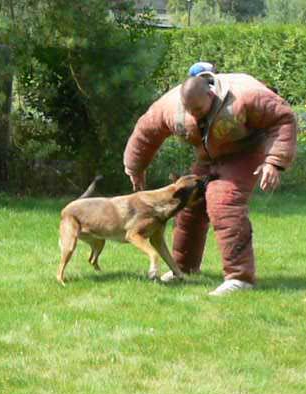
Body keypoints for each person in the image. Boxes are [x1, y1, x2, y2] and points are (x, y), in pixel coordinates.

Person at [123, 72, 297, 296]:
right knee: (187, 204)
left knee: (223, 203)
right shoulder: (169, 106)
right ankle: (182, 268)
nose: (193, 115)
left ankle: (240, 278)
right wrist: (135, 168)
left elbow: (283, 117)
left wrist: (274, 162)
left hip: (246, 151)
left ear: (211, 93)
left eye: (197, 109)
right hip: (209, 156)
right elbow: (146, 132)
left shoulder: (245, 95)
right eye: (189, 110)